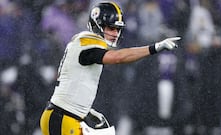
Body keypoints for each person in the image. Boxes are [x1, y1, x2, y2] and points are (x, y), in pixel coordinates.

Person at [40, 1, 181, 135]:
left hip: (64, 116)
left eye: (118, 29)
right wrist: (154, 48)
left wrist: (85, 110)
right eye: (111, 28)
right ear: (98, 25)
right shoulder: (87, 43)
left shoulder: (82, 42)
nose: (115, 34)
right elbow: (118, 57)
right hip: (63, 118)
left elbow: (75, 84)